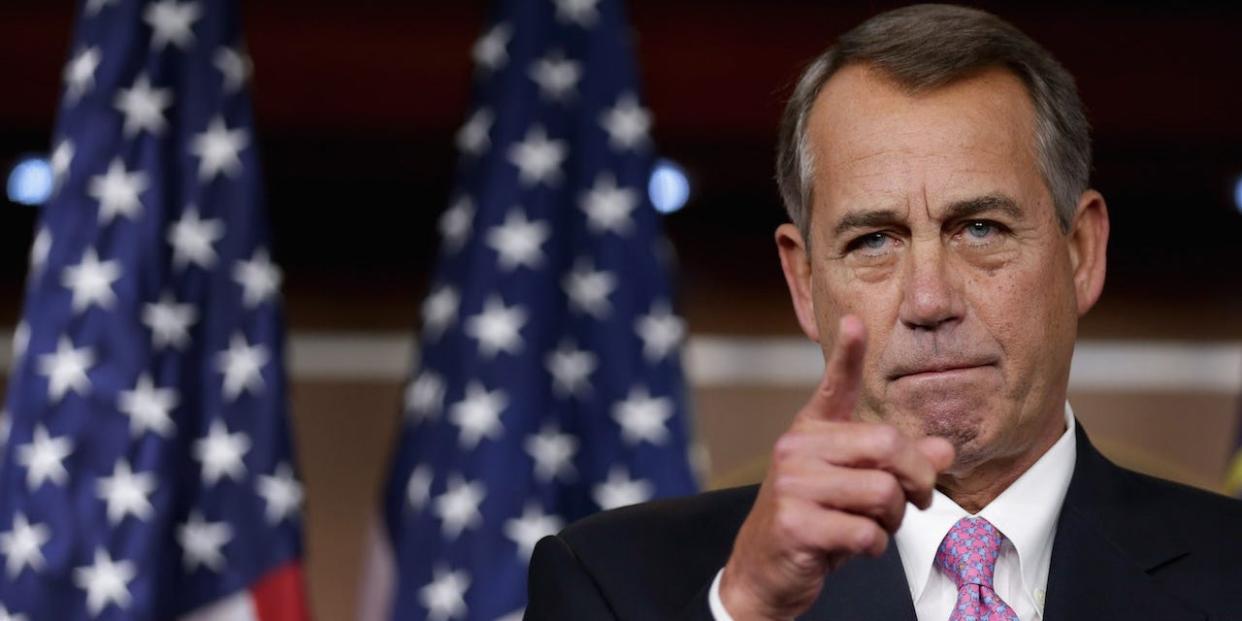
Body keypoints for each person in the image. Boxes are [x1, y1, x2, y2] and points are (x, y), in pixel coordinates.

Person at [524, 4, 1242, 620]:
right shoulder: (613, 581)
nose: (929, 300)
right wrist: (747, 607)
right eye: (874, 240)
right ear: (805, 282)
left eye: (980, 228)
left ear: (1081, 250)